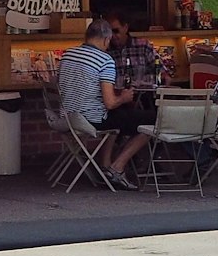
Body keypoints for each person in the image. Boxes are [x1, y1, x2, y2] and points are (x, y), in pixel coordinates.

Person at [58, 18, 152, 189]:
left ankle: (106, 165)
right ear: (106, 39)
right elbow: (110, 103)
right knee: (151, 121)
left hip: (67, 116)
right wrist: (124, 97)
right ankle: (118, 167)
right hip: (91, 119)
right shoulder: (105, 60)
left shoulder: (68, 54)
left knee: (121, 115)